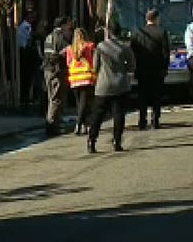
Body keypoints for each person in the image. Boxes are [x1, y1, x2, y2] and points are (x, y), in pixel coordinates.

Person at [89, 21, 136, 153]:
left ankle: (92, 140)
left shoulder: (100, 47)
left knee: (98, 115)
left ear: (108, 32)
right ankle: (117, 141)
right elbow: (131, 66)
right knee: (118, 114)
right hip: (121, 84)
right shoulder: (125, 47)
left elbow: (95, 66)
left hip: (103, 85)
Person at [131, 8, 171, 130]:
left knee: (142, 96)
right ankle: (155, 120)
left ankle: (142, 120)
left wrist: (134, 67)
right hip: (157, 70)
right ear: (156, 18)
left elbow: (133, 51)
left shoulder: (138, 32)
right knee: (156, 96)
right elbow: (166, 53)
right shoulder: (162, 32)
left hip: (142, 69)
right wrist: (165, 68)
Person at [42, 16, 74, 136]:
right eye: (68, 24)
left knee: (52, 98)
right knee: (56, 99)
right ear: (64, 25)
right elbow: (62, 54)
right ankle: (51, 125)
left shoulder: (49, 36)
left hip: (48, 70)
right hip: (57, 71)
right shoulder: (61, 37)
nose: (70, 26)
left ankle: (53, 124)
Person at [65, 27, 95, 136]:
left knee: (79, 103)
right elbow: (92, 61)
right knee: (84, 103)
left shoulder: (69, 49)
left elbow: (68, 63)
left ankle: (84, 125)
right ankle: (79, 124)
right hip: (86, 77)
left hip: (74, 79)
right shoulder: (89, 46)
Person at [17, 14, 40, 108]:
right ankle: (24, 97)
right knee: (26, 77)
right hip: (25, 53)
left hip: (26, 52)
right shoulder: (25, 27)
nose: (33, 19)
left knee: (27, 78)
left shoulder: (27, 27)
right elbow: (25, 41)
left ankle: (25, 96)